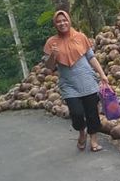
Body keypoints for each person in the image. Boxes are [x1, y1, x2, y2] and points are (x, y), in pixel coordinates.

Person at [43, 10, 109, 152]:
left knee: (92, 113)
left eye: (64, 20)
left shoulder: (80, 37)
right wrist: (53, 55)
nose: (62, 23)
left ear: (69, 20)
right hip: (69, 84)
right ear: (55, 24)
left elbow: (91, 57)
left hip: (88, 80)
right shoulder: (51, 42)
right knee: (77, 113)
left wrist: (102, 74)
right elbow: (49, 67)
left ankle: (94, 141)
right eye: (59, 21)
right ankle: (81, 132)